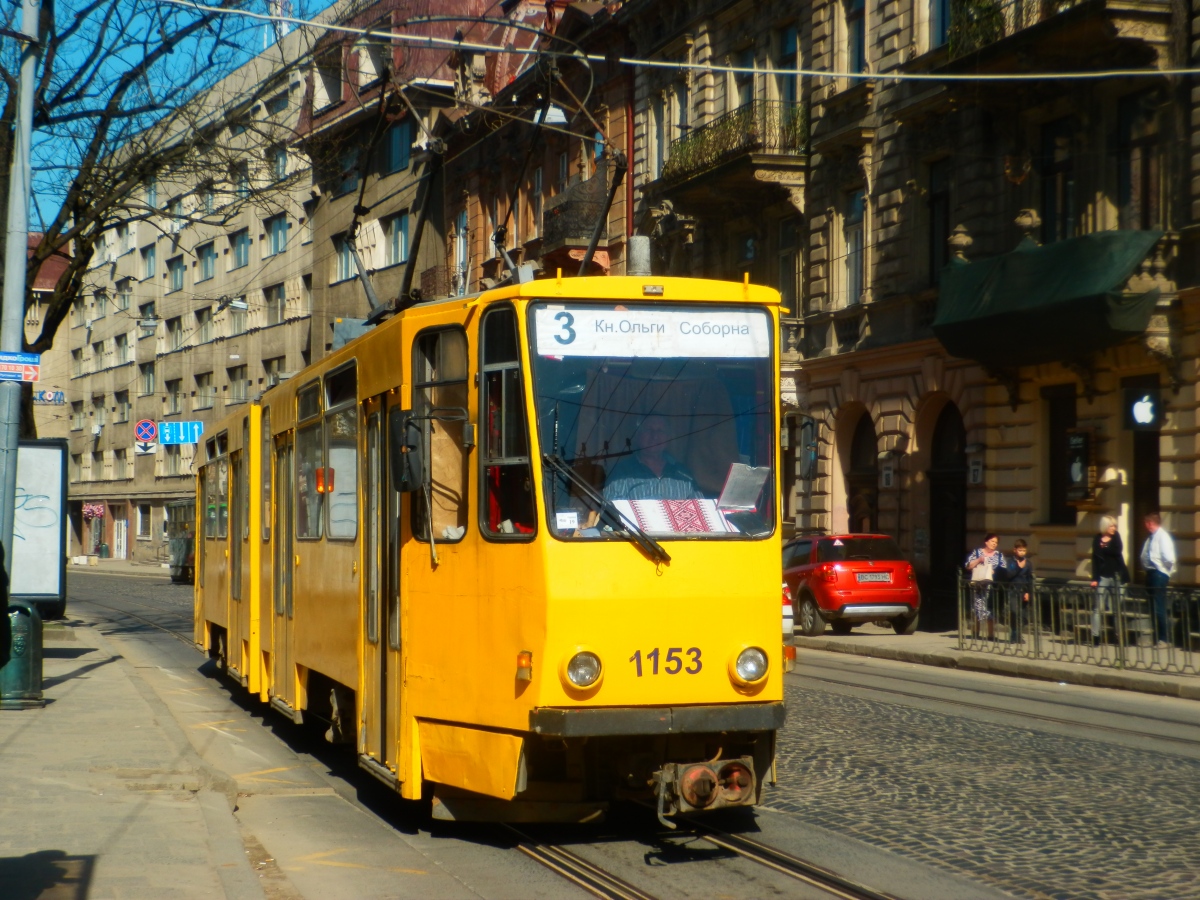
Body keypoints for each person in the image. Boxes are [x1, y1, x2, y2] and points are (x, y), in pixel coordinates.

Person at [601, 414, 701, 501]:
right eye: (649, 430)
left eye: (660, 431)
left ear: (668, 438)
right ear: (637, 435)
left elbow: (700, 511)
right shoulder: (621, 473)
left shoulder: (683, 474)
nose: (654, 436)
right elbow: (611, 514)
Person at [1089, 515, 1129, 645]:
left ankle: (1119, 637)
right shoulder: (1097, 539)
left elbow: (1118, 551)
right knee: (1097, 608)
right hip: (1103, 577)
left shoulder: (1116, 537)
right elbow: (1095, 560)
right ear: (1105, 526)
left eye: (1115, 525)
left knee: (1117, 608)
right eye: (1111, 526)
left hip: (1118, 576)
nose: (1114, 528)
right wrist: (1094, 578)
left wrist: (1105, 547)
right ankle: (1095, 636)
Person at [1140, 513, 1176, 648]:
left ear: (1150, 523)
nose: (1145, 526)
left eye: (1146, 523)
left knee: (1158, 607)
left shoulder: (1162, 537)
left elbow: (1169, 558)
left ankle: (1163, 639)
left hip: (1158, 574)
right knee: (1152, 607)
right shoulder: (1151, 537)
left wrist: (1162, 570)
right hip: (1150, 573)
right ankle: (1156, 638)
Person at [965, 534, 1003, 642]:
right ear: (986, 542)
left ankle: (990, 635)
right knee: (977, 609)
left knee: (990, 610)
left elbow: (1004, 570)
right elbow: (968, 565)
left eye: (996, 542)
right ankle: (976, 633)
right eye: (992, 541)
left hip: (992, 588)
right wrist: (979, 560)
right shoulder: (977, 552)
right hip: (978, 587)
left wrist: (994, 572)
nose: (994, 544)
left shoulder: (999, 555)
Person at [1002, 539, 1033, 644]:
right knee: (1014, 612)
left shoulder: (1028, 563)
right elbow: (1008, 575)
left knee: (1023, 614)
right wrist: (1018, 567)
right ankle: (1014, 632)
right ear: (1015, 550)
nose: (1022, 552)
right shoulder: (1011, 562)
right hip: (1013, 591)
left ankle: (1019, 634)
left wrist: (1029, 593)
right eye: (1020, 550)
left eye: (1024, 550)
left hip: (1023, 591)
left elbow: (1029, 579)